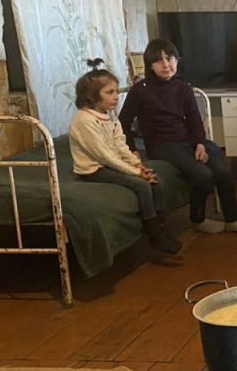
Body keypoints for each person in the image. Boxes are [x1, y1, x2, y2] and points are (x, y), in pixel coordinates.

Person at [119, 39, 237, 235]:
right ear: (150, 65)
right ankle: (197, 218)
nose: (166, 65)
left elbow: (194, 119)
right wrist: (132, 150)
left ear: (177, 60)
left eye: (170, 58)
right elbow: (123, 122)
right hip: (162, 145)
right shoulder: (140, 90)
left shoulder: (182, 88)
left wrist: (200, 143)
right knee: (203, 175)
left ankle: (232, 219)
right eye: (159, 61)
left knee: (223, 170)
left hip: (188, 140)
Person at [69, 59, 181, 254]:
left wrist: (138, 165)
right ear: (93, 96)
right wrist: (135, 174)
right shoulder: (84, 121)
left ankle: (163, 227)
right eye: (109, 92)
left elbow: (120, 145)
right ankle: (154, 234)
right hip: (94, 170)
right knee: (141, 185)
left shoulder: (109, 115)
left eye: (116, 91)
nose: (116, 97)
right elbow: (104, 156)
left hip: (111, 164)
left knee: (156, 180)